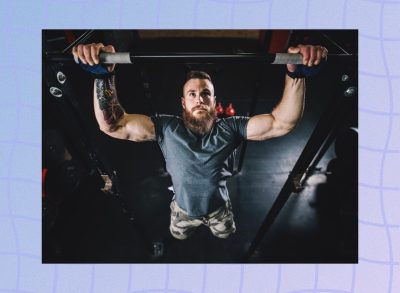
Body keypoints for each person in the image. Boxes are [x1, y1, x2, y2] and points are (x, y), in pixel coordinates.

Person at [72, 43, 328, 240]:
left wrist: (297, 75)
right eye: (192, 94)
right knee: (177, 234)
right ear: (183, 103)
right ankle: (184, 226)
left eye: (206, 93)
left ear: (215, 103)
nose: (199, 99)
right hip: (182, 211)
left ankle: (219, 226)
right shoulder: (166, 128)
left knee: (226, 234)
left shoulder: (230, 128)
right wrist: (103, 77)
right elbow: (114, 124)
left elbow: (282, 122)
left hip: (219, 210)